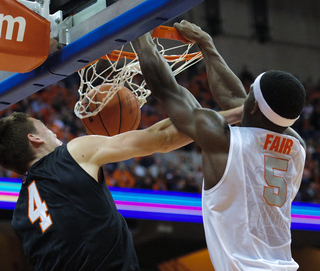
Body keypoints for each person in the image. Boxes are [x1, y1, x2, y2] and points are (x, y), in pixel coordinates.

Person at [134, 20, 306, 271]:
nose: (243, 98)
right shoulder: (298, 148)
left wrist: (140, 33)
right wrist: (206, 44)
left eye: (250, 95)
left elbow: (166, 89)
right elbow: (235, 100)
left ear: (254, 106)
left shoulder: (225, 141)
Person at [0, 106, 241, 270]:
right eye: (44, 126)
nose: (52, 130)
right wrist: (239, 113)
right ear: (35, 139)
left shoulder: (20, 212)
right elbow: (163, 137)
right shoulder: (71, 154)